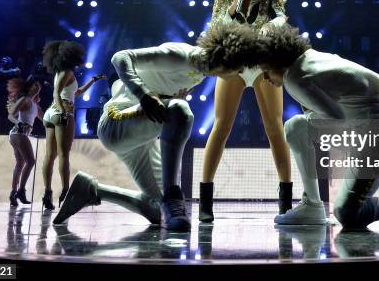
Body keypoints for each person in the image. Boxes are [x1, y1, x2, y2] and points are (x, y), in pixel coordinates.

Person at [52, 23, 259, 231]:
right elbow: (120, 57)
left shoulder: (202, 70)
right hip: (116, 124)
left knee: (153, 210)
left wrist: (162, 97)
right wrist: (144, 96)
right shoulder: (181, 55)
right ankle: (172, 195)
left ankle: (92, 191)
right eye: (240, 68)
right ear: (229, 59)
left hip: (141, 139)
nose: (239, 74)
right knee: (180, 110)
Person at [251, 25, 379, 227]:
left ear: (275, 59)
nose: (265, 77)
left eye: (264, 69)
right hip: (372, 127)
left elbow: (336, 118)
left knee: (348, 213)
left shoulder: (295, 78)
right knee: (297, 127)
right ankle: (312, 206)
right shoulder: (308, 59)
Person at [197, 0, 293, 222]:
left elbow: (280, 17)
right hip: (235, 63)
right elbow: (216, 26)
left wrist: (269, 26)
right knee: (221, 126)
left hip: (263, 61)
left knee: (275, 127)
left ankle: (285, 203)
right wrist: (231, 7)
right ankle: (205, 202)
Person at [40, 40, 106, 210]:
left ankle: (47, 193)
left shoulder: (61, 72)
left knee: (50, 155)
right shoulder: (66, 71)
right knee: (63, 155)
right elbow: (56, 94)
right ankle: (66, 192)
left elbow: (74, 93)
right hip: (60, 112)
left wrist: (92, 81)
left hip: (50, 113)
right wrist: (64, 111)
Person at [6, 78, 44, 206]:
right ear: (30, 87)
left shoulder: (35, 105)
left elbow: (45, 120)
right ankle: (21, 191)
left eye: (39, 85)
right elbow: (11, 115)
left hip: (18, 134)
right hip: (18, 133)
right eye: (35, 84)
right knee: (31, 161)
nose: (38, 86)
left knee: (20, 163)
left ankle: (13, 193)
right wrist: (19, 123)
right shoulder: (24, 100)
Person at [0, 57, 21, 134]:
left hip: (8, 96)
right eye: (2, 60)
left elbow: (7, 74)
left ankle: (5, 133)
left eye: (5, 60)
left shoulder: (15, 71)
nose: (3, 61)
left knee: (6, 115)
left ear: (9, 62)